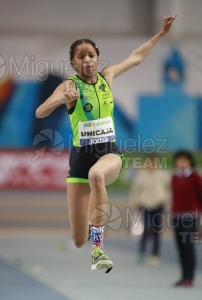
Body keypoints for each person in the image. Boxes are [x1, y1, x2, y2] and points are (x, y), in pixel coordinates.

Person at [35, 15, 177, 273]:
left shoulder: (107, 77)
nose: (87, 59)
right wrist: (60, 100)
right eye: (81, 56)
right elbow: (40, 112)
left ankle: (98, 250)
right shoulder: (69, 85)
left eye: (91, 55)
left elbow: (136, 57)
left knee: (97, 175)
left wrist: (160, 34)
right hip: (79, 160)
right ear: (74, 62)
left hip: (108, 153)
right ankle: (89, 237)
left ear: (97, 58)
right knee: (78, 240)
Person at [129, 155, 171, 265]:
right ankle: (142, 252)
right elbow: (136, 189)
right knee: (146, 229)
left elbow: (169, 187)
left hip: (158, 204)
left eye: (153, 162)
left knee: (157, 230)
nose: (151, 164)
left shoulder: (162, 173)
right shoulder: (141, 174)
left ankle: (155, 254)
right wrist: (136, 201)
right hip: (145, 204)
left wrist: (165, 199)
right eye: (149, 162)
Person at [171, 150, 202, 287]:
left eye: (184, 160)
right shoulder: (175, 177)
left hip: (191, 216)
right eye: (179, 160)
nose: (181, 163)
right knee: (180, 247)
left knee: (188, 245)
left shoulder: (195, 177)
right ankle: (183, 276)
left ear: (190, 162)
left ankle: (190, 277)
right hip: (176, 216)